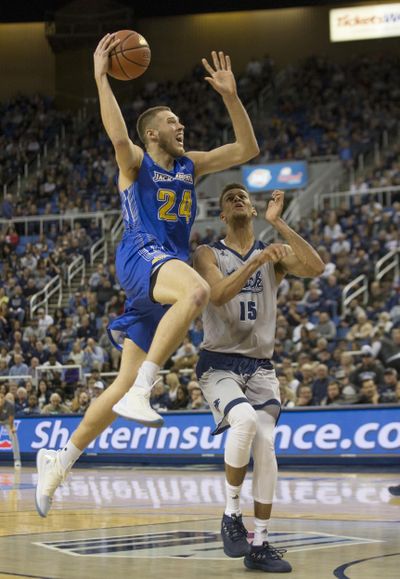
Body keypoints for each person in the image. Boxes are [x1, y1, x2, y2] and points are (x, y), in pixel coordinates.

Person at [34, 35, 259, 517]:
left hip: (164, 273)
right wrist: (99, 75)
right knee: (198, 289)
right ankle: (144, 391)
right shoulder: (135, 163)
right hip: (142, 256)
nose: (182, 125)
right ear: (152, 134)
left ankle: (60, 460)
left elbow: (246, 147)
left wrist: (231, 96)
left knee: (120, 382)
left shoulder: (189, 165)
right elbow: (118, 137)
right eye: (172, 122)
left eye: (181, 120)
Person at [193, 185, 324, 573]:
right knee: (246, 421)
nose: (236, 198)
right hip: (219, 364)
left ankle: (261, 543)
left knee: (265, 445)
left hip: (261, 368)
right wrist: (256, 262)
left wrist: (278, 222)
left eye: (243, 197)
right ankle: (232, 513)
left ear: (252, 210)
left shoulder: (273, 254)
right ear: (222, 215)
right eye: (228, 196)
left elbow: (316, 268)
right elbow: (217, 294)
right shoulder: (208, 253)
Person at [0, 392, 21, 469]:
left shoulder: (10, 405)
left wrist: (12, 428)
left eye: (2, 397)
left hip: (7, 421)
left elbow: (11, 419)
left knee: (14, 435)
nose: (1, 399)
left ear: (4, 398)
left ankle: (17, 460)